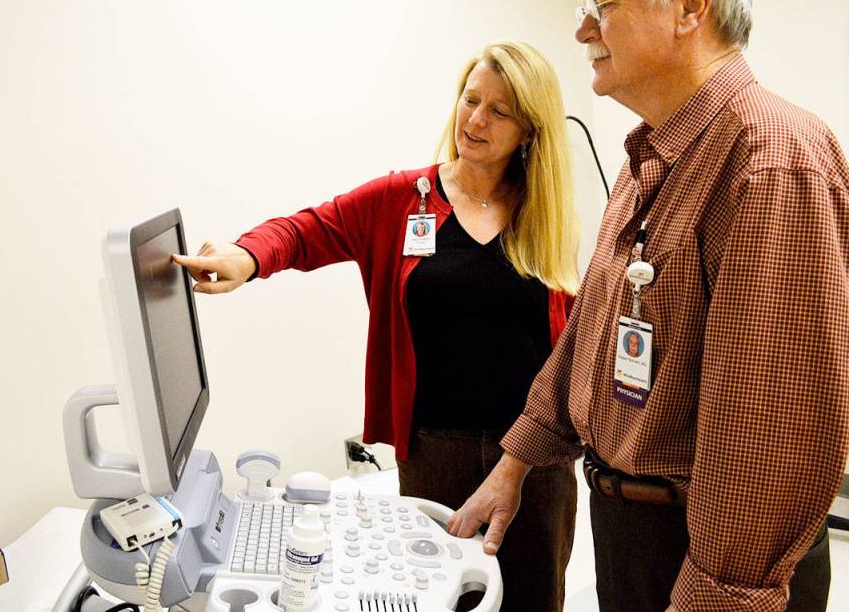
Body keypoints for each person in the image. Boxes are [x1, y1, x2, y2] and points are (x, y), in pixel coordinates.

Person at [447, 0, 849, 612]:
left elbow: (770, 435)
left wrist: (717, 595)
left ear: (690, 6)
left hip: (707, 561)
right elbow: (589, 341)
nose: (582, 29)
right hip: (633, 532)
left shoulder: (771, 162)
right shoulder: (648, 161)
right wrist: (514, 464)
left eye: (603, 5)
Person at [173, 41, 582, 612]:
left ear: (530, 131)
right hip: (435, 453)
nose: (476, 119)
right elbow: (307, 229)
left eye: (500, 111)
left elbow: (567, 346)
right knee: (435, 598)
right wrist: (247, 257)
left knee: (532, 601)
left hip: (534, 460)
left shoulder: (546, 215)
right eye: (470, 100)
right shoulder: (403, 199)